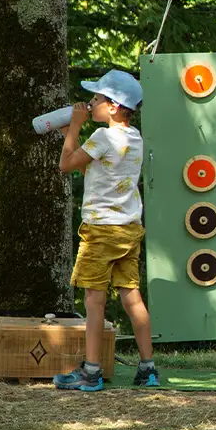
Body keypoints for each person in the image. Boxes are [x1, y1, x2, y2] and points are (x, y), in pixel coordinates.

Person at [54, 69, 159, 391]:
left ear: (113, 106)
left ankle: (92, 371)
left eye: (97, 98)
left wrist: (74, 127)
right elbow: (92, 164)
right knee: (132, 297)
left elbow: (66, 165)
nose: (91, 102)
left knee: (94, 300)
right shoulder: (134, 138)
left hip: (101, 231)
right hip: (129, 229)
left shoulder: (101, 137)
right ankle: (148, 368)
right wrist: (68, 136)